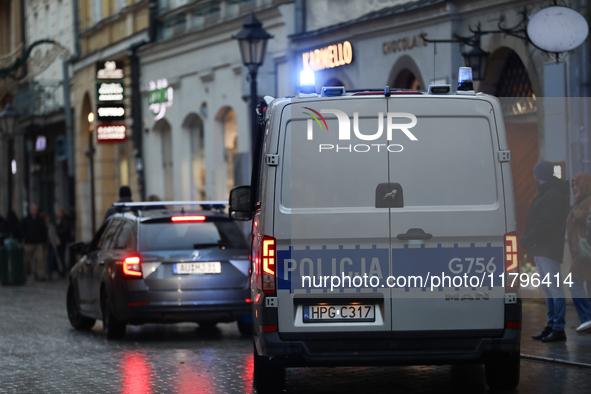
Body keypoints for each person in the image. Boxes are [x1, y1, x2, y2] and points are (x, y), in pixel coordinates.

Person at [520, 161, 570, 342]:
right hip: (542, 248)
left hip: (547, 248)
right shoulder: (549, 193)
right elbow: (539, 221)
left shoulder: (551, 194)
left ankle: (558, 328)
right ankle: (551, 325)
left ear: (537, 175)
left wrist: (527, 238)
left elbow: (543, 223)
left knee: (554, 289)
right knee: (549, 289)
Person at [566, 173, 591, 333]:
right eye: (573, 185)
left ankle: (587, 318)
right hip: (580, 252)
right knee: (586, 285)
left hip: (585, 252)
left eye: (577, 184)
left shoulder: (587, 202)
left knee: (573, 283)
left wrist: (578, 214)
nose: (575, 188)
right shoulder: (579, 202)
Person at [20, 204, 48, 281]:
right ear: (30, 210)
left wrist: (43, 240)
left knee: (40, 259)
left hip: (38, 243)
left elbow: (44, 231)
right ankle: (23, 274)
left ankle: (40, 275)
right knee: (26, 260)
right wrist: (26, 237)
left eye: (36, 209)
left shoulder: (40, 219)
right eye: (33, 209)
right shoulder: (25, 219)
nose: (34, 211)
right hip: (29, 243)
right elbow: (21, 230)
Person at [42, 212, 63, 279]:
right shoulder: (43, 226)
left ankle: (51, 272)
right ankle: (46, 273)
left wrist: (57, 243)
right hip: (45, 245)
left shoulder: (51, 225)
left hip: (52, 245)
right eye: (47, 218)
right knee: (45, 260)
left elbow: (54, 235)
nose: (48, 219)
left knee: (52, 259)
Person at [55, 207, 72, 271]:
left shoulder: (65, 219)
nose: (57, 214)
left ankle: (64, 269)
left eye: (58, 212)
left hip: (64, 239)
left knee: (63, 254)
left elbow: (65, 229)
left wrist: (57, 230)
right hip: (61, 239)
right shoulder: (59, 219)